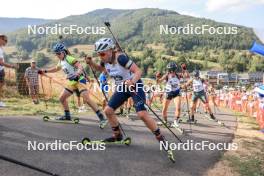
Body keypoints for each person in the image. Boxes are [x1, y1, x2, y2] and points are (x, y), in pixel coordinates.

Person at [85, 38, 171, 146]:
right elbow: (101, 69)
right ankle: (117, 136)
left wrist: (132, 81)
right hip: (122, 87)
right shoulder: (105, 61)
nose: (100, 57)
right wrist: (91, 63)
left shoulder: (121, 58)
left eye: (102, 54)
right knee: (108, 110)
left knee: (142, 114)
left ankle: (161, 138)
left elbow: (138, 71)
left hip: (135, 85)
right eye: (98, 54)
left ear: (110, 50)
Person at [40, 42, 107, 128]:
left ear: (63, 52)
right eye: (56, 54)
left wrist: (77, 73)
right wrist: (45, 71)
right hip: (72, 83)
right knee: (62, 98)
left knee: (86, 98)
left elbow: (80, 67)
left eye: (59, 53)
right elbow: (56, 69)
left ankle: (102, 118)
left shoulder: (69, 58)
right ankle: (67, 116)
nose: (57, 55)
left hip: (79, 80)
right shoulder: (61, 61)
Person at [156, 62, 182, 128]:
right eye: (171, 71)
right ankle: (165, 121)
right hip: (168, 93)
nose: (172, 72)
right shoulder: (167, 75)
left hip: (177, 93)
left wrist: (184, 69)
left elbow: (186, 77)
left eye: (173, 71)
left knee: (178, 108)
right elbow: (159, 82)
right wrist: (157, 77)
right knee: (164, 109)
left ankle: (175, 121)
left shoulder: (178, 75)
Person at [0, 34, 17, 107]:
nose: (6, 42)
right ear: (0, 39)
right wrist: (12, 66)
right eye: (5, 40)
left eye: (7, 41)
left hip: (1, 70)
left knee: (1, 86)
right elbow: (1, 62)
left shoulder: (1, 49)